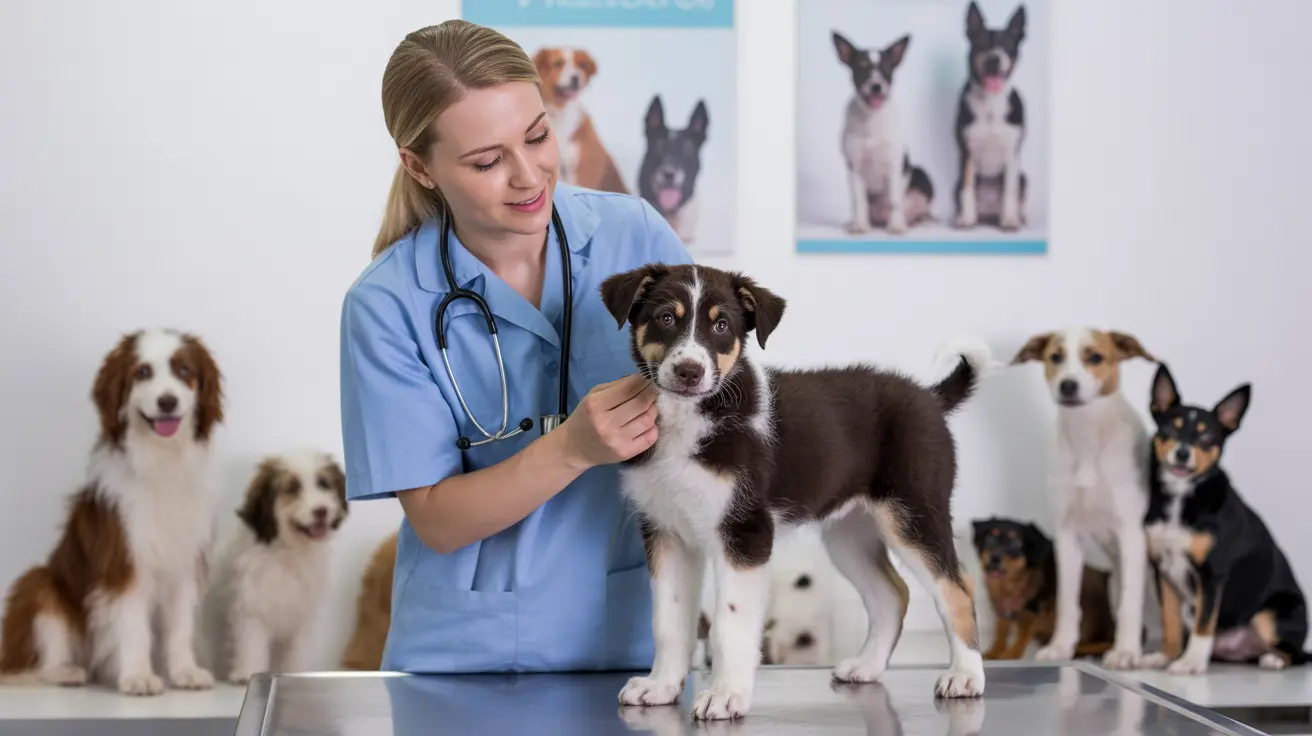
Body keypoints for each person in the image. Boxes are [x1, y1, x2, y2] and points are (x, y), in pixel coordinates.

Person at [338, 19, 694, 674]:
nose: (529, 175)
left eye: (537, 135)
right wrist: (571, 449)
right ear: (419, 166)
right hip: (468, 659)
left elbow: (722, 408)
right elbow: (437, 521)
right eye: (487, 161)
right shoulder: (388, 305)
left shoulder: (633, 235)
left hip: (638, 645)